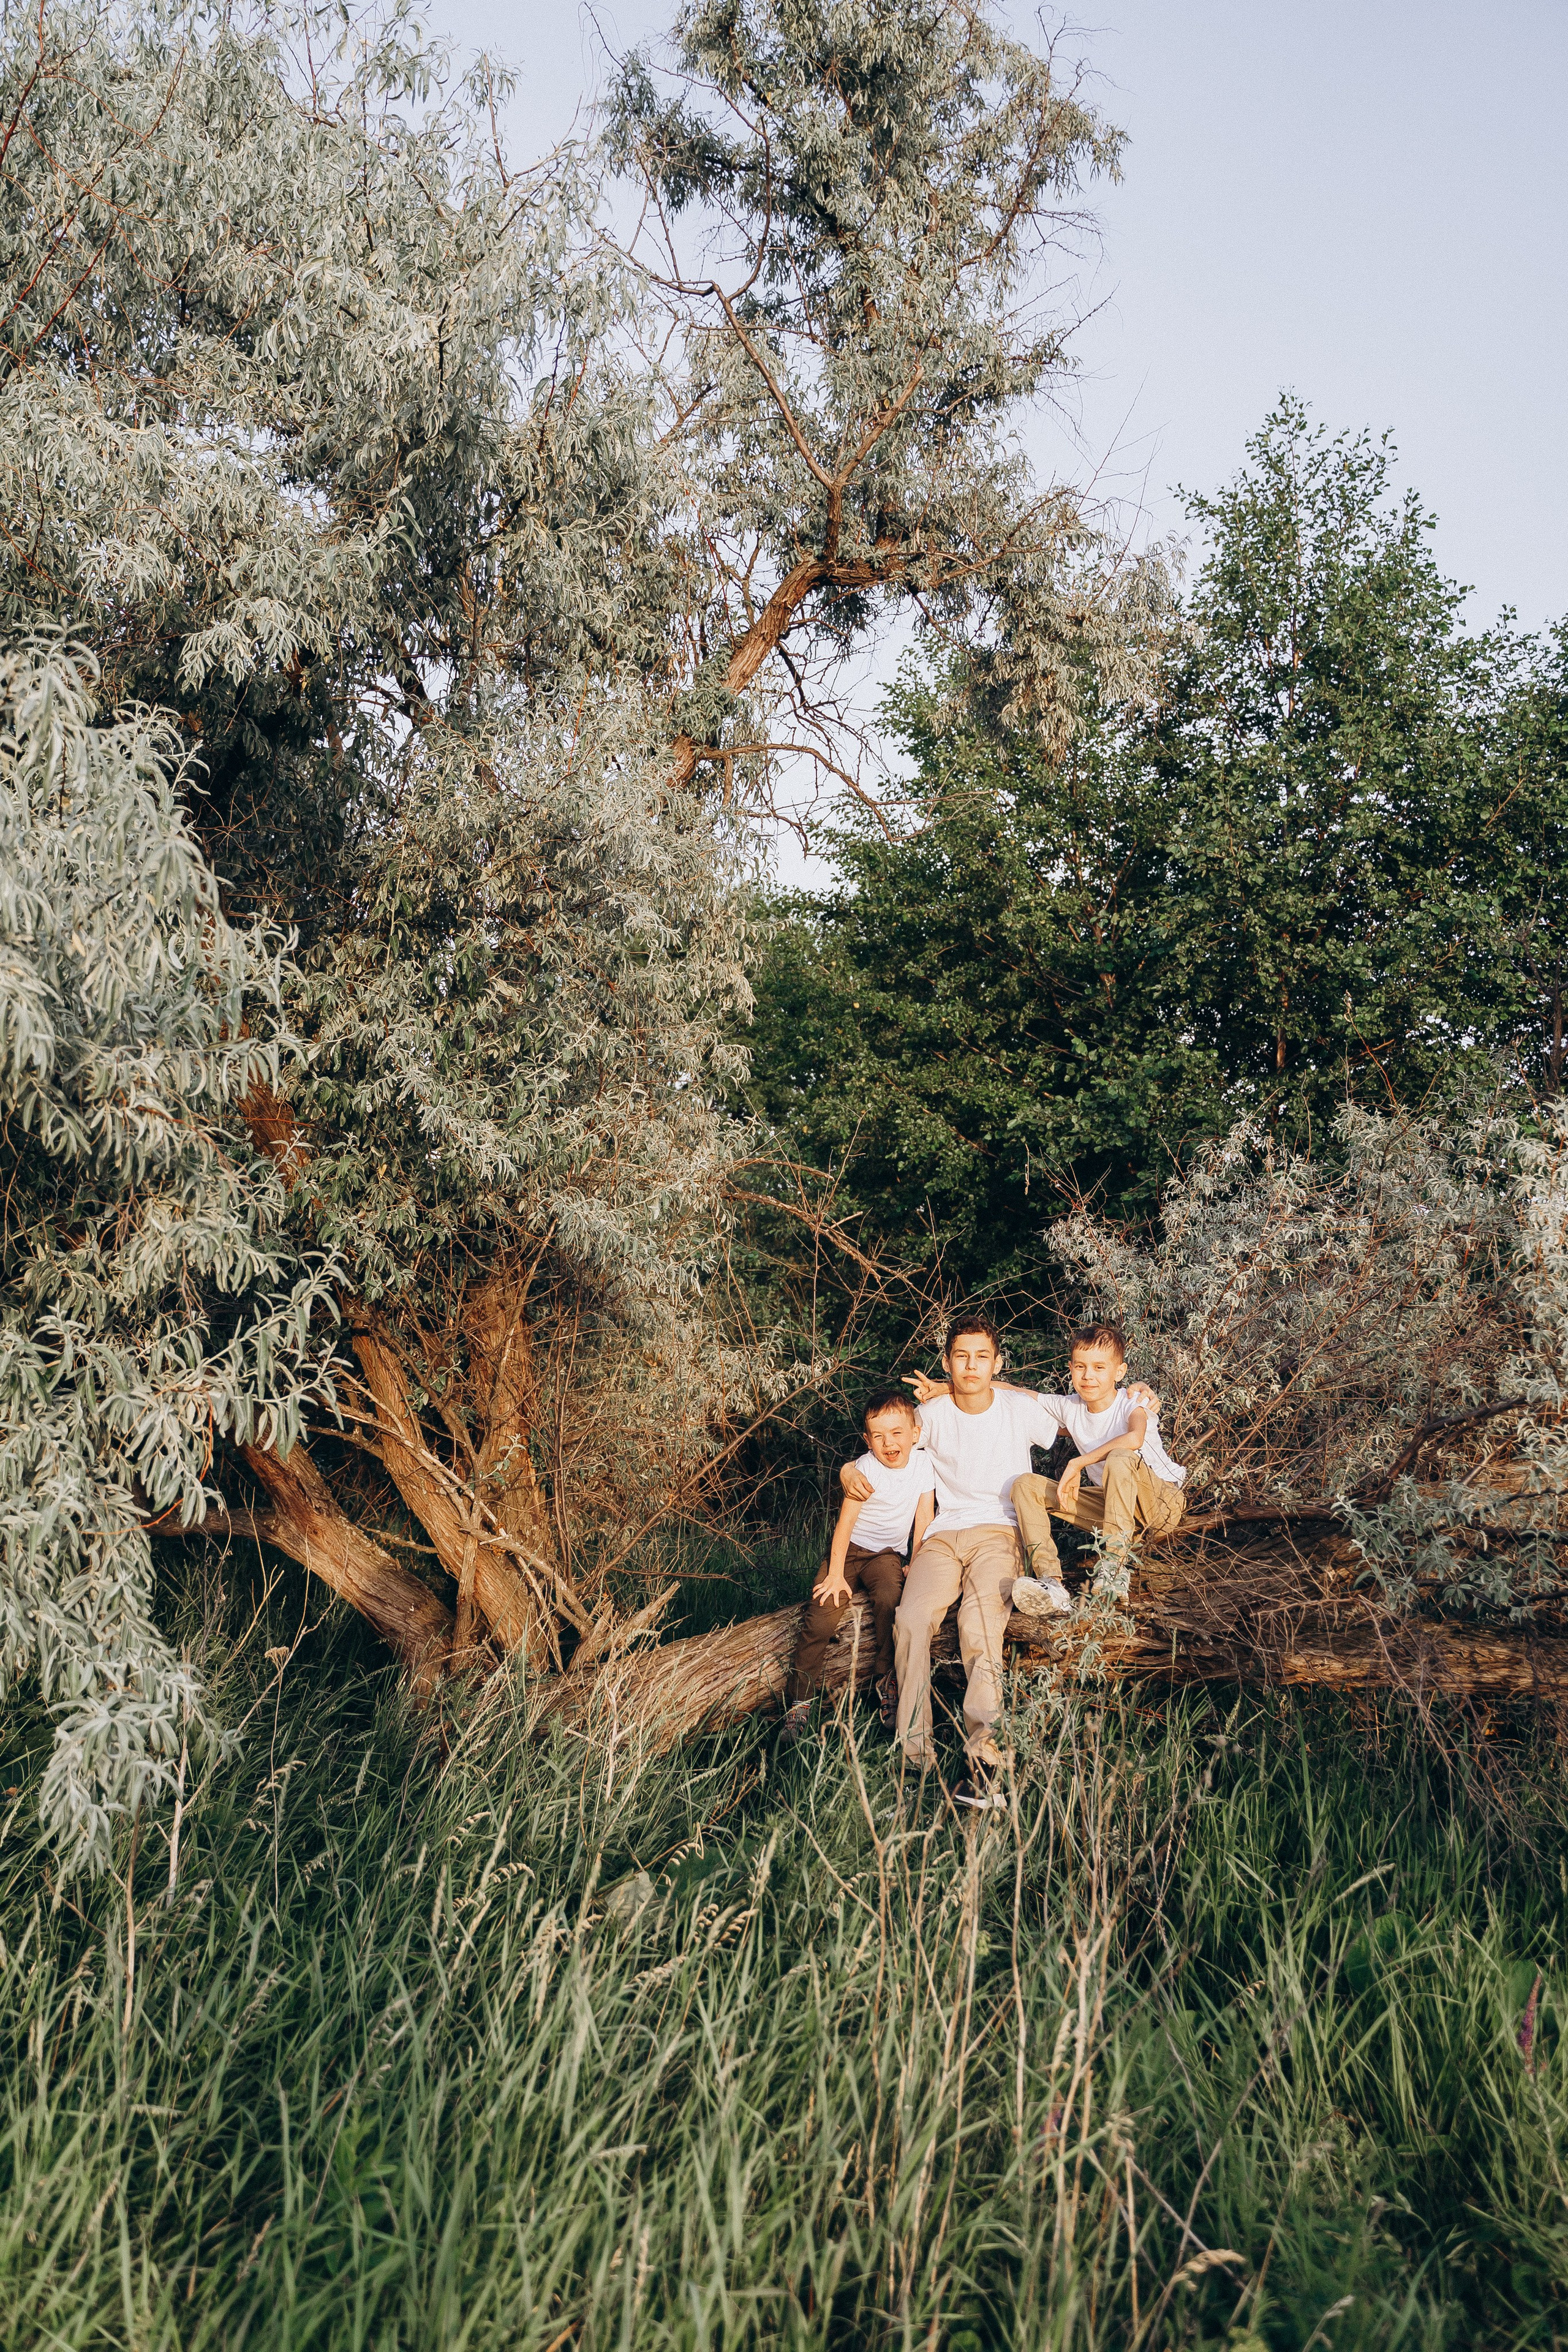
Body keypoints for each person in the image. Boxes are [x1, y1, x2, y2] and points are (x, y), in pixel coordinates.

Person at [840, 1311, 1158, 1812]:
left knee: (979, 1623)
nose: (971, 1366)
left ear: (997, 1363)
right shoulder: (930, 1416)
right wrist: (845, 1470)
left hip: (1000, 1532)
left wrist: (1137, 1394)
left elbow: (1090, 1408)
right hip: (942, 1536)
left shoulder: (1019, 1409)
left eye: (981, 1357)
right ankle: (914, 1757)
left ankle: (984, 1759)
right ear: (947, 1362)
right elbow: (888, 1440)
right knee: (911, 1620)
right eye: (961, 1357)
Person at [780, 1388, 935, 1746]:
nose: (889, 1443)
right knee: (821, 1614)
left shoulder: (923, 1465)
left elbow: (924, 1517)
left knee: (892, 1600)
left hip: (886, 1555)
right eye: (878, 1436)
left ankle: (885, 1681)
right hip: (850, 1552)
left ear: (915, 1433)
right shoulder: (864, 1470)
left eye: (897, 1433)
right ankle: (799, 1702)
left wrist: (916, 1561)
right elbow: (845, 1524)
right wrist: (836, 1574)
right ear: (867, 1440)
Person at [1011, 1322, 1185, 1586]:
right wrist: (950, 1388)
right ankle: (1050, 1581)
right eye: (1080, 1367)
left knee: (1120, 1456)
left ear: (1119, 1372)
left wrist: (1078, 1463)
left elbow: (1135, 1438)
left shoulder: (1132, 1402)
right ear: (1070, 1368)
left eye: (1099, 1368)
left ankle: (1114, 1569)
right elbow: (1016, 1393)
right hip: (1114, 1509)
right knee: (1025, 1485)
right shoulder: (1070, 1406)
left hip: (1161, 1505)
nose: (1088, 1376)